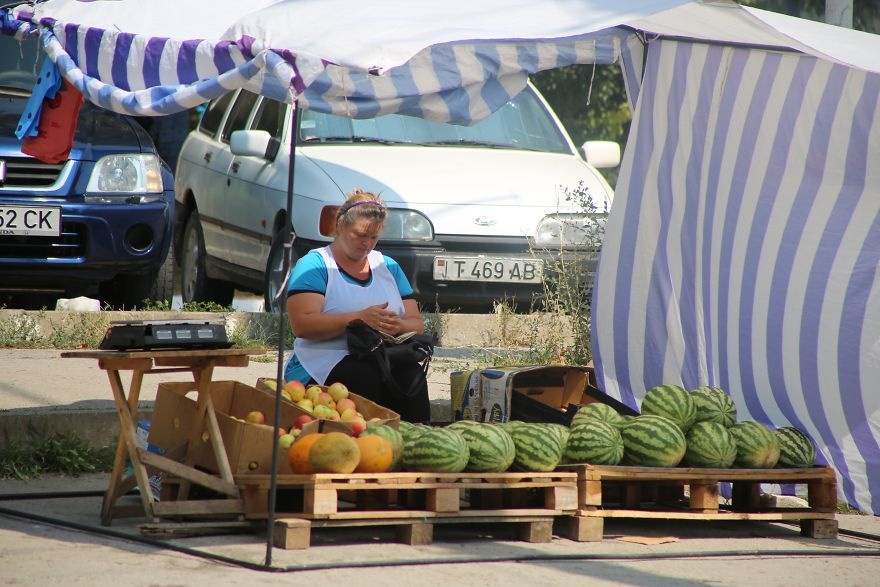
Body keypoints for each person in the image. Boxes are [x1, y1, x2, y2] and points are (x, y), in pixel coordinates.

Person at [283, 189, 430, 422]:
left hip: (379, 355)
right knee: (364, 376)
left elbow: (416, 325)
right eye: (360, 235)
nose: (367, 244)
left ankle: (416, 443)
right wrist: (359, 319)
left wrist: (396, 325)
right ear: (340, 226)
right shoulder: (315, 264)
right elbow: (302, 325)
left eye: (374, 238)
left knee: (411, 376)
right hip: (321, 362)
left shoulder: (388, 266)